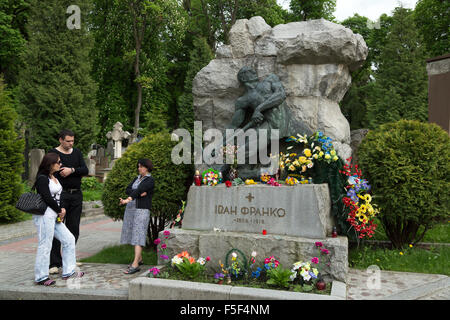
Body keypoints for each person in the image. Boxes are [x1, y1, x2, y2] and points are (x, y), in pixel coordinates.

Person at [33, 153, 84, 285]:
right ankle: (41, 277)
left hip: (55, 215)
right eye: (58, 162)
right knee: (45, 244)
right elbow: (46, 197)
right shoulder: (42, 178)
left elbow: (59, 195)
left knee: (69, 239)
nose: (60, 165)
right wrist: (59, 210)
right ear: (50, 164)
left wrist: (62, 209)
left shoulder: (54, 177)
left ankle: (69, 271)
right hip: (45, 216)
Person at [48, 129, 88, 274]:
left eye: (72, 141)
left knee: (73, 228)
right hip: (61, 195)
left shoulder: (76, 153)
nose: (71, 143)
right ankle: (54, 262)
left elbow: (84, 169)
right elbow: (49, 170)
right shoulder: (53, 153)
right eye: (68, 141)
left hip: (76, 195)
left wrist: (71, 170)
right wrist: (60, 172)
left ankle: (69, 258)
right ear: (60, 140)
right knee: (58, 228)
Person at [119, 159, 155, 275]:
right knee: (133, 233)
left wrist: (129, 198)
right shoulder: (136, 178)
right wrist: (139, 193)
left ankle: (135, 264)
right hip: (131, 210)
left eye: (141, 167)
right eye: (138, 166)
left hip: (142, 210)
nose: (139, 169)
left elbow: (138, 190)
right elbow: (128, 189)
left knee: (138, 234)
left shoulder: (150, 180)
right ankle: (139, 258)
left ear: (147, 168)